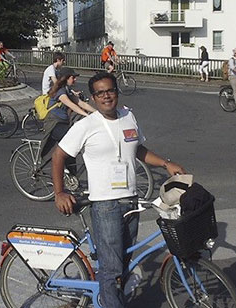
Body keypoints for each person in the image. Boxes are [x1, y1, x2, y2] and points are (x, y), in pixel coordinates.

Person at [52, 72, 186, 308]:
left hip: (131, 201)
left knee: (124, 261)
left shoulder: (128, 116)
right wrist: (59, 192)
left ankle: (110, 299)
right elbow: (59, 155)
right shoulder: (86, 125)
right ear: (93, 97)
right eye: (100, 93)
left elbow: (137, 149)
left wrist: (166, 163)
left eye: (110, 91)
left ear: (117, 91)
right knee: (111, 269)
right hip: (105, 205)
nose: (106, 96)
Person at [39, 67, 96, 158]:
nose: (75, 79)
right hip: (54, 124)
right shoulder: (60, 91)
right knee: (70, 141)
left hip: (62, 122)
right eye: (73, 77)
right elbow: (72, 105)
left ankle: (70, 171)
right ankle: (59, 162)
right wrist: (87, 115)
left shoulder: (67, 90)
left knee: (70, 152)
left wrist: (97, 112)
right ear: (66, 78)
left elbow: (81, 103)